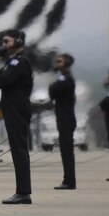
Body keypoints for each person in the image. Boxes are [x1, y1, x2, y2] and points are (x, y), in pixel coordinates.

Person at [0, 29, 33, 203]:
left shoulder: (20, 62)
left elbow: (1, 80)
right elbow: (0, 77)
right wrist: (1, 62)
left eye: (7, 41)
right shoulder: (12, 61)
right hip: (12, 108)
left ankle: (23, 192)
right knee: (17, 148)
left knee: (19, 149)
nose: (4, 45)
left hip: (17, 108)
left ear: (18, 41)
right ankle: (22, 190)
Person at [49, 53, 77, 189]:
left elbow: (52, 90)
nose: (57, 63)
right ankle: (68, 179)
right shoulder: (62, 78)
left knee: (66, 151)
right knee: (65, 150)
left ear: (66, 64)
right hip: (63, 117)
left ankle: (69, 181)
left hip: (66, 118)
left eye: (60, 61)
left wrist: (53, 86)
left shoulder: (66, 79)